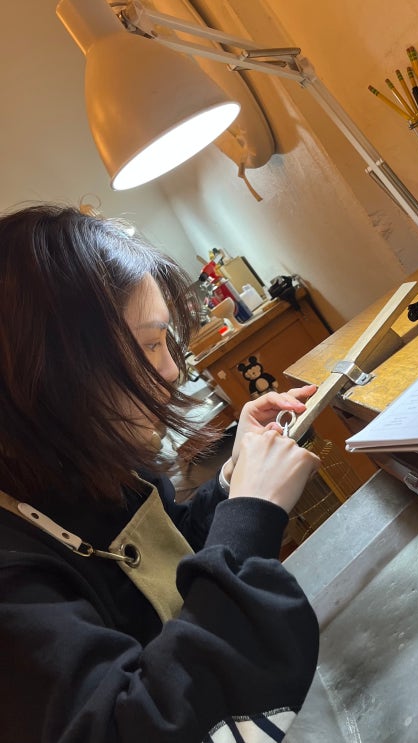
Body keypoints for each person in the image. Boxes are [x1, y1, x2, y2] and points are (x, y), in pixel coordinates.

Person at [0, 204, 321, 742]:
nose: (171, 370)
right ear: (53, 371)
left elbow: (170, 558)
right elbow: (139, 724)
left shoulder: (89, 464)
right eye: (150, 345)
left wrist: (235, 479)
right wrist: (251, 513)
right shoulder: (13, 577)